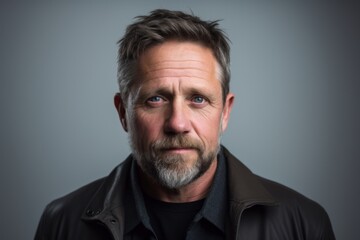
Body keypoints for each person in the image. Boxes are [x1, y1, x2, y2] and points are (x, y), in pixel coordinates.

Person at [34, 9, 335, 240]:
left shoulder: (303, 224)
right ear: (123, 112)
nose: (177, 124)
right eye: (155, 99)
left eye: (198, 99)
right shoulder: (62, 222)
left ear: (225, 112)